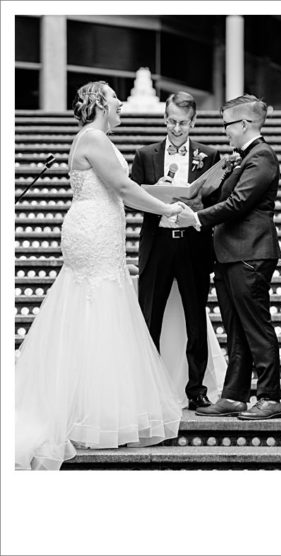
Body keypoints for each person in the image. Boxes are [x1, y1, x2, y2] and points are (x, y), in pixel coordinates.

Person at [15, 81, 184, 470]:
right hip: (92, 232)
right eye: (114, 98)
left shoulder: (92, 139)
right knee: (98, 305)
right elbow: (123, 187)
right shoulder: (93, 139)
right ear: (100, 104)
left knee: (94, 304)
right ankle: (93, 413)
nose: (120, 102)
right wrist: (166, 209)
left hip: (97, 229)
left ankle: (93, 404)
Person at [177, 95, 281, 421]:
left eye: (227, 125)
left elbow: (239, 203)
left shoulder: (262, 157)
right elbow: (220, 195)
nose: (225, 132)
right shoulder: (241, 158)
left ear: (244, 124)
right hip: (229, 253)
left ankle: (269, 397)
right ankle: (235, 396)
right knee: (236, 329)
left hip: (249, 252)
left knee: (256, 327)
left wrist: (196, 219)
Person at [130, 91, 226, 410]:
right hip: (157, 245)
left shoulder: (209, 156)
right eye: (171, 121)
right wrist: (155, 195)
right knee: (149, 317)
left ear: (193, 122)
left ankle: (196, 388)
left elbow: (214, 202)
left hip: (192, 245)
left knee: (195, 318)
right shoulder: (145, 155)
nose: (176, 128)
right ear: (164, 118)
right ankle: (147, 389)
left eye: (183, 123)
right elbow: (131, 198)